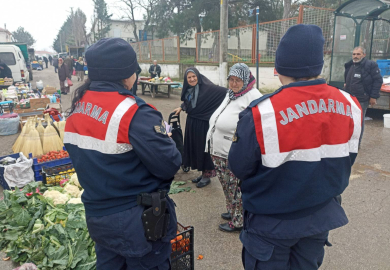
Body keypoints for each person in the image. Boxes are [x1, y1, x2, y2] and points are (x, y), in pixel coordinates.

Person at [228, 24, 363, 270]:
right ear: (320, 65)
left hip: (271, 226)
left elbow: (239, 167)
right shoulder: (351, 104)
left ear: (278, 68)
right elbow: (348, 157)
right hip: (319, 218)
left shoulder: (261, 113)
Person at [64, 37, 181, 269]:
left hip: (98, 216)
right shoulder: (133, 112)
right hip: (137, 223)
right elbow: (170, 163)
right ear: (128, 75)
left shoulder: (77, 108)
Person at [206, 63, 262, 233]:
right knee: (226, 185)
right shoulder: (232, 94)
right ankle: (232, 211)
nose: (234, 84)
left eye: (238, 80)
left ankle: (238, 220)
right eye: (231, 80)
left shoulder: (253, 96)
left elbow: (256, 125)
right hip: (219, 151)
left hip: (233, 152)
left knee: (235, 187)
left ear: (245, 80)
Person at [173, 68, 226, 188]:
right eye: (189, 77)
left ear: (198, 76)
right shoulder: (189, 89)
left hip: (204, 124)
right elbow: (188, 102)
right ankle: (202, 173)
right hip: (192, 122)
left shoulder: (208, 88)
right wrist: (182, 107)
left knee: (204, 148)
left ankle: (207, 175)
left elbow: (226, 92)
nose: (192, 79)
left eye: (194, 76)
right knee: (196, 147)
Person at [344, 46, 382, 147]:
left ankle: (356, 144)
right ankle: (347, 142)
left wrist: (373, 96)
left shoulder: (370, 65)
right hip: (349, 98)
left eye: (358, 54)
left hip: (362, 99)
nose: (355, 56)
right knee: (348, 121)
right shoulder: (350, 65)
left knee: (358, 122)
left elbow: (378, 80)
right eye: (354, 54)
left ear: (364, 55)